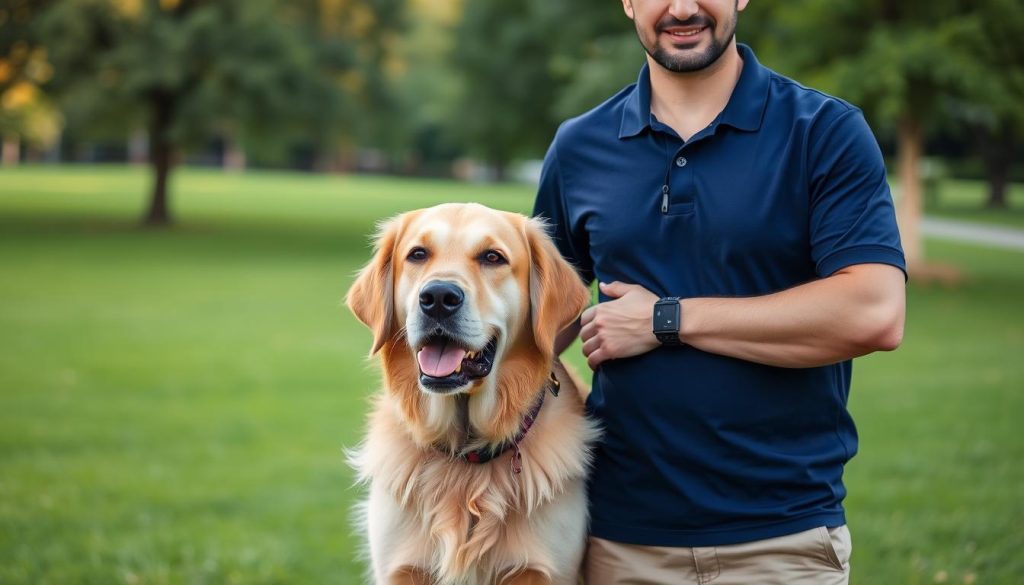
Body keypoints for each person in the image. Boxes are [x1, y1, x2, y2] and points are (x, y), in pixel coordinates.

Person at [531, 1, 907, 584]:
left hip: (782, 541)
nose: (682, 8)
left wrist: (666, 320)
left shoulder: (824, 131)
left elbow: (873, 313)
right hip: (618, 543)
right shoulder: (579, 147)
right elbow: (536, 325)